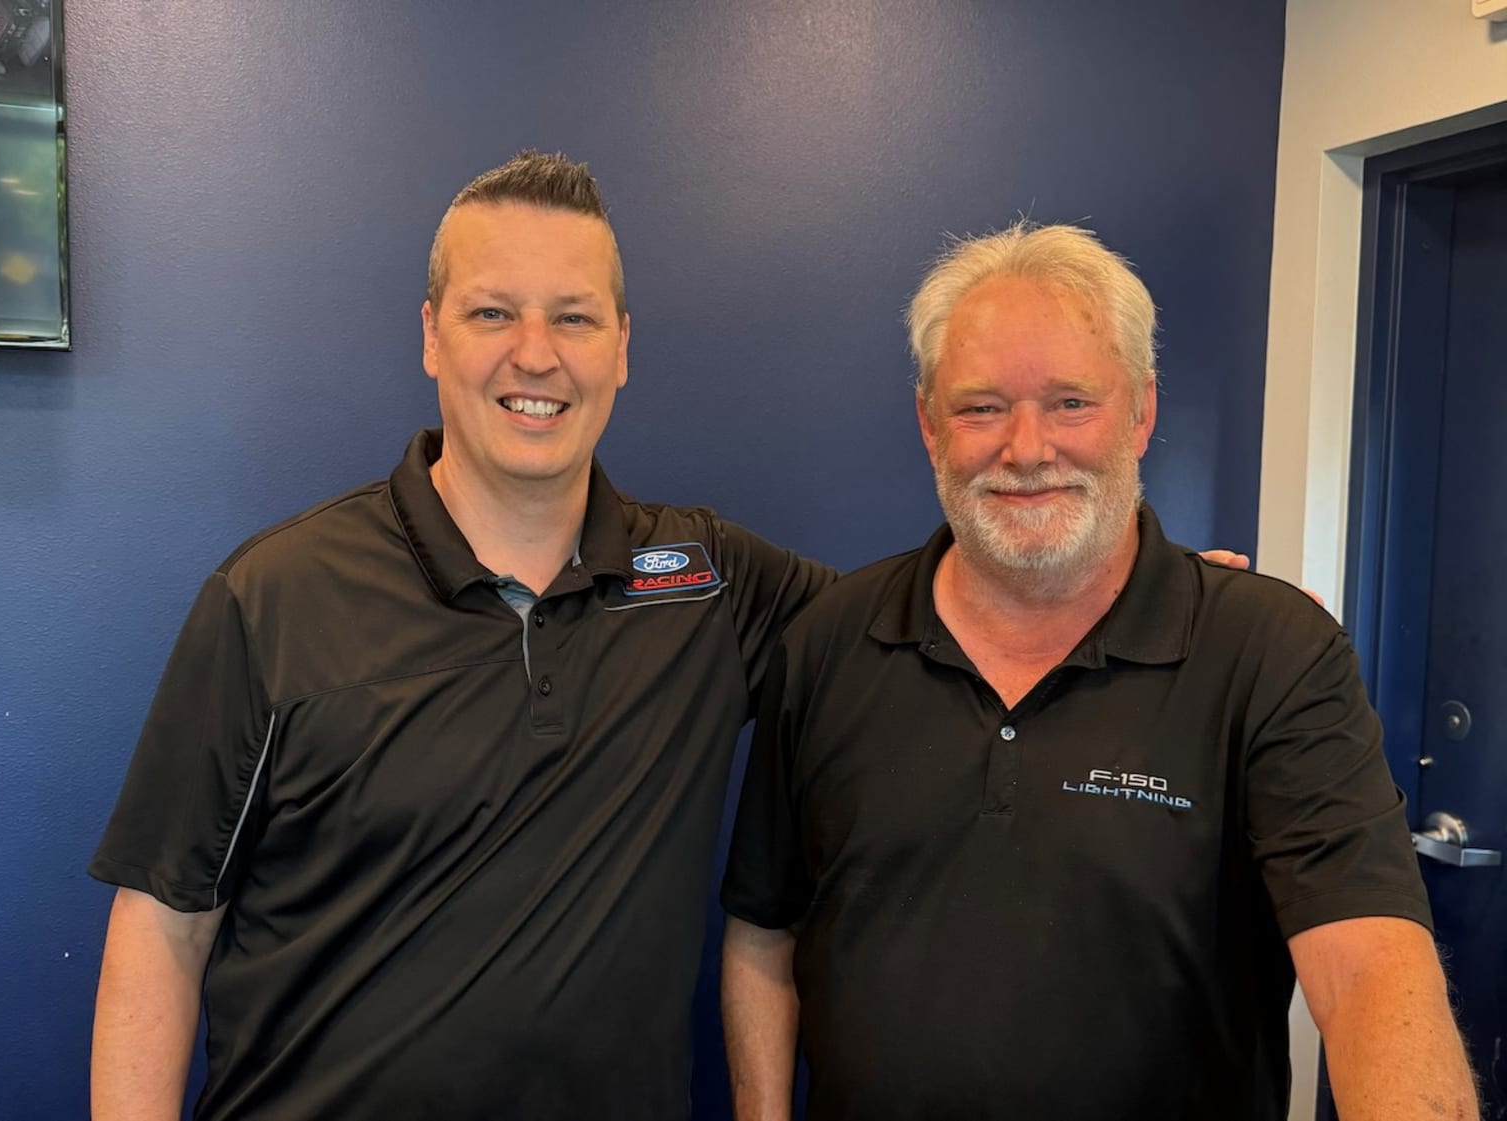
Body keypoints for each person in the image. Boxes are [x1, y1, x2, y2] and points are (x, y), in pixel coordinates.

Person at [87, 150, 835, 1121]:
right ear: (432, 335)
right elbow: (163, 928)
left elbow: (917, 632)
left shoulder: (708, 585)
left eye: (574, 317)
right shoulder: (272, 596)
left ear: (621, 347)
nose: (536, 354)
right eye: (492, 313)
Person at [719, 222, 1477, 1121]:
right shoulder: (828, 643)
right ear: (928, 424)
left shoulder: (1273, 652)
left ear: (1142, 412)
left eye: (1071, 402)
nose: (1026, 448)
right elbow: (765, 929)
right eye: (980, 407)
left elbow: (1369, 967)